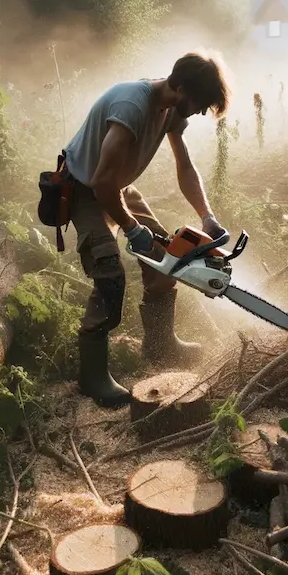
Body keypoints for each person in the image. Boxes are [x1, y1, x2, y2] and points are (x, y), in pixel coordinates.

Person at [63, 51, 231, 408]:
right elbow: (101, 183)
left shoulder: (170, 110)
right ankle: (92, 376)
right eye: (200, 102)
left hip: (118, 188)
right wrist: (130, 226)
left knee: (170, 258)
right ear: (181, 86)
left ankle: (160, 345)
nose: (201, 111)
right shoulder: (131, 107)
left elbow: (184, 166)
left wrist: (206, 215)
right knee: (109, 274)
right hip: (86, 191)